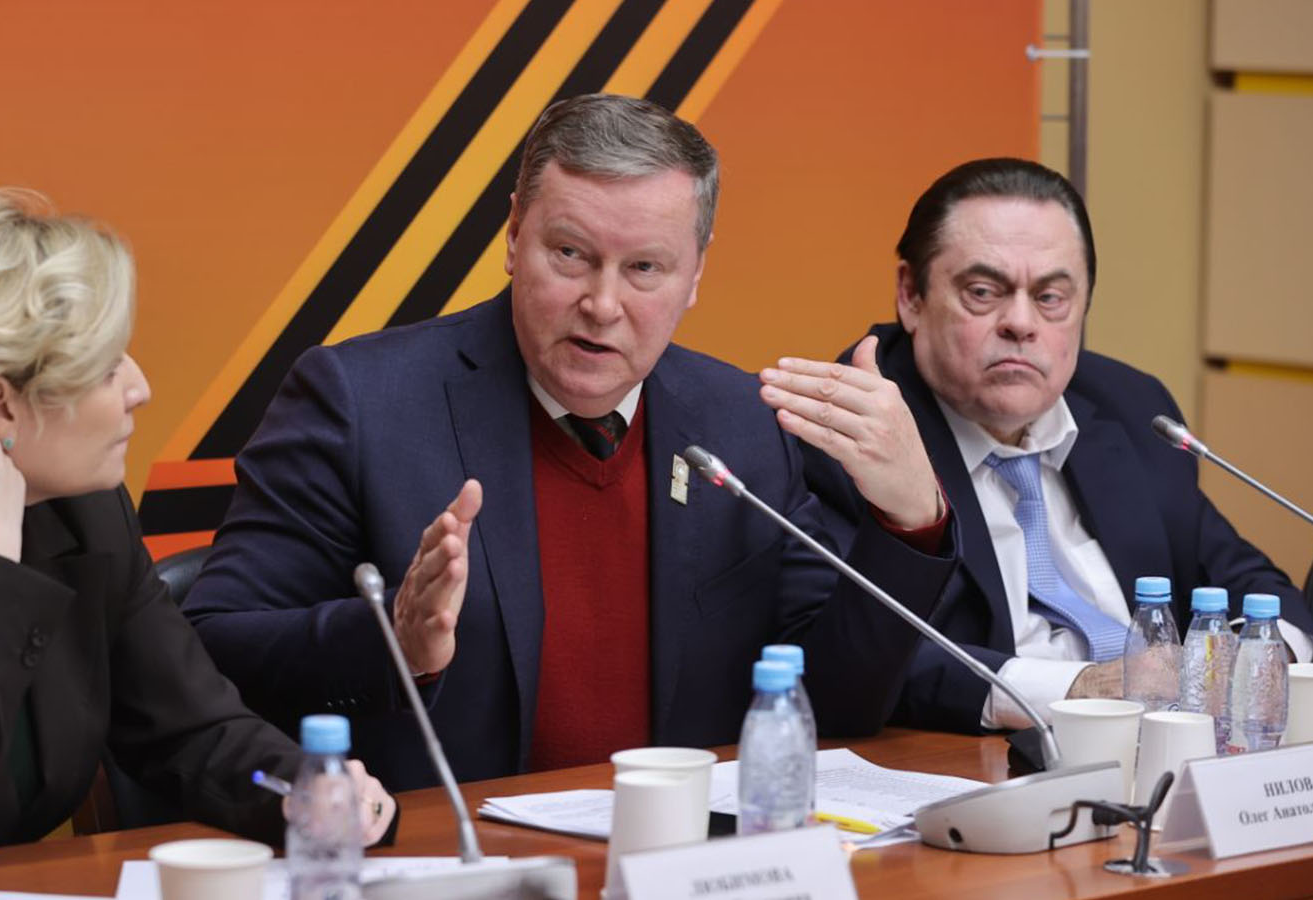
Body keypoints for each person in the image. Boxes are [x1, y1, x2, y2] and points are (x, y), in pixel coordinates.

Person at [182, 94, 957, 791]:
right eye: (571, 255)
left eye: (644, 267)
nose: (602, 304)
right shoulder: (360, 404)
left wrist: (909, 522)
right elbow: (213, 648)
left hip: (678, 859)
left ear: (695, 275)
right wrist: (395, 643)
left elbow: (830, 702)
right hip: (451, 859)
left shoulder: (739, 423)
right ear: (514, 235)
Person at [0, 189, 395, 873]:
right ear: (0, 404)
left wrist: (303, 791)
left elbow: (191, 730)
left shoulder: (84, 510)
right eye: (106, 368)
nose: (140, 388)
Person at [760, 158, 1313, 734]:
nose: (1021, 323)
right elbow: (858, 662)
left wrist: (1256, 661)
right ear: (911, 296)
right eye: (983, 292)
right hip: (988, 764)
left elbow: (1251, 584)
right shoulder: (846, 434)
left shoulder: (1131, 408)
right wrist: (1080, 689)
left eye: (1051, 296)